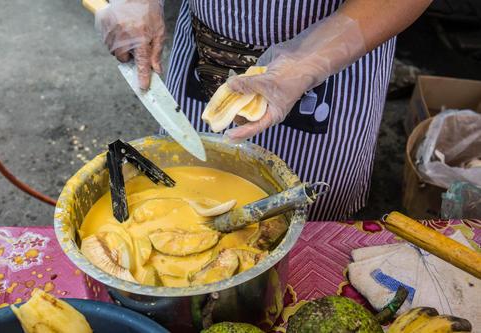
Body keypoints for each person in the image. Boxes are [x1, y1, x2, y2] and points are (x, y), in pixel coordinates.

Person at [96, 0, 432, 220]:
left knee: (307, 223)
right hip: (205, 51)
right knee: (184, 203)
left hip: (335, 59)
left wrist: (306, 63)